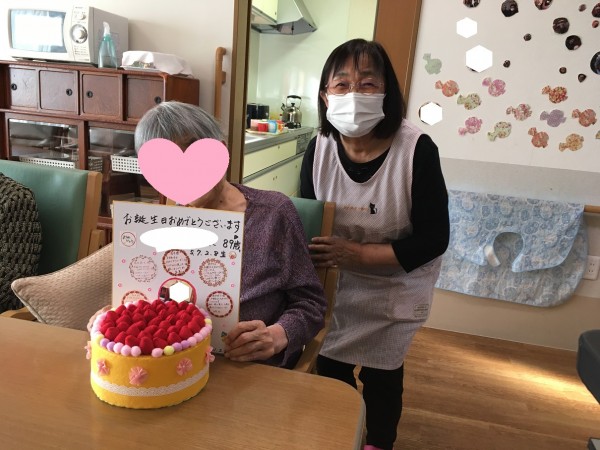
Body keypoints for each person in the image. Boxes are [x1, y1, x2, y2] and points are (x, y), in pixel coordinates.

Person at [90, 101, 327, 369]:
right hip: (173, 365)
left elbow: (311, 303)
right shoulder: (154, 227)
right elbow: (149, 301)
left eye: (192, 152)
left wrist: (277, 336)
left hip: (249, 368)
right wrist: (120, 318)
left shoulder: (274, 215)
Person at [300, 39, 449, 450]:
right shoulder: (318, 149)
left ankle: (378, 442)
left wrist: (359, 253)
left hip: (396, 287)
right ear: (325, 96)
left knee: (382, 376)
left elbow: (434, 238)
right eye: (342, 84)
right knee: (331, 370)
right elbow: (309, 221)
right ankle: (340, 435)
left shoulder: (417, 150)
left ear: (387, 93)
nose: (353, 94)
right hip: (336, 284)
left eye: (367, 83)